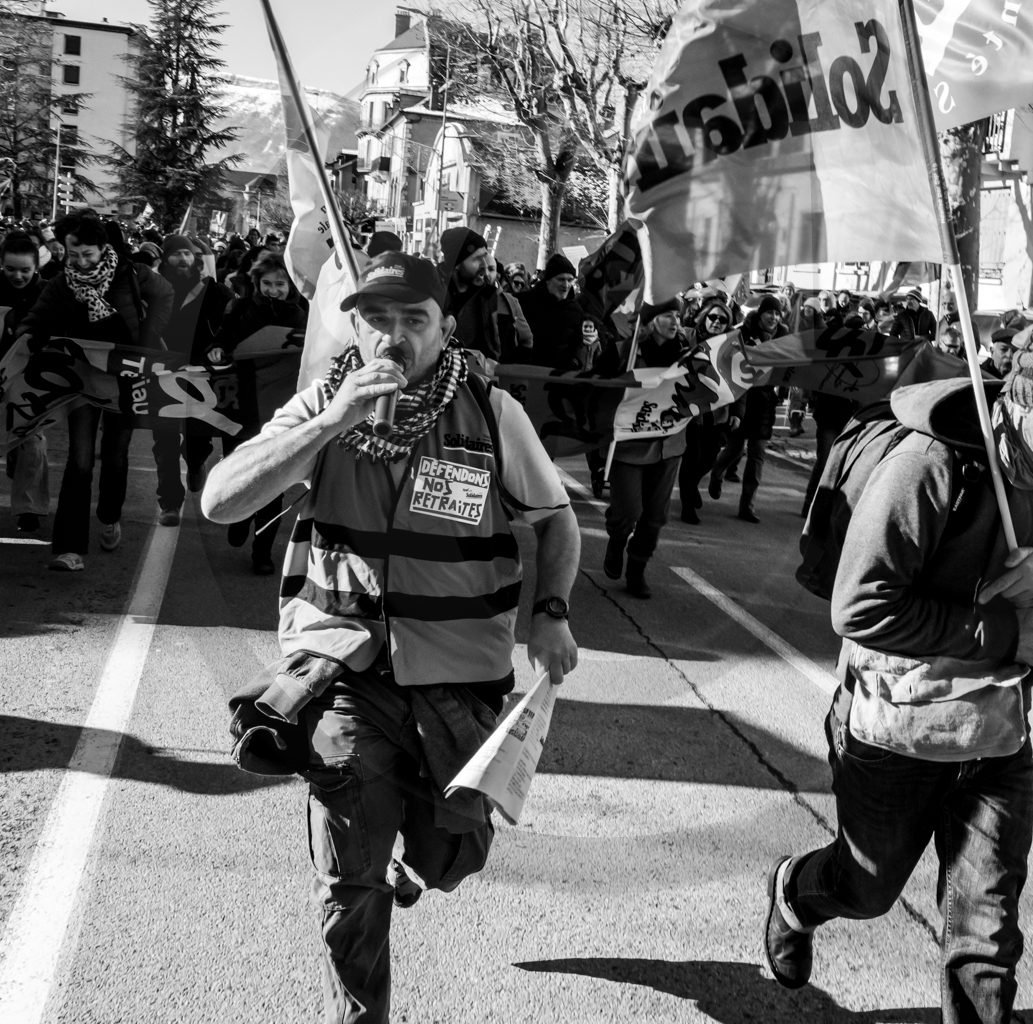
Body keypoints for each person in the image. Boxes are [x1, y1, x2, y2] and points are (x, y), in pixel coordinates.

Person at [201, 251, 579, 1024]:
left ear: (446, 328)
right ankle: (360, 1013)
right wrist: (335, 419)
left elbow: (556, 521)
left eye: (414, 320)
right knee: (348, 877)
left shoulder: (492, 411)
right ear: (355, 325)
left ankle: (414, 861)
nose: (395, 336)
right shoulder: (322, 405)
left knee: (453, 859)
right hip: (343, 670)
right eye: (378, 319)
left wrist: (551, 613)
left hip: (460, 679)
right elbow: (220, 502)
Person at [765, 299, 1033, 1023]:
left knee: (986, 941)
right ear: (1027, 402)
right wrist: (1001, 635)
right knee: (866, 891)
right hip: (892, 729)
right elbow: (860, 608)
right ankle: (794, 891)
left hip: (998, 739)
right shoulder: (929, 465)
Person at [20, 212, 173, 571]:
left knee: (116, 457)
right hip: (82, 383)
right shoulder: (61, 283)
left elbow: (165, 296)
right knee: (80, 459)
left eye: (88, 254)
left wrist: (148, 335)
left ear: (104, 248)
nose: (81, 262)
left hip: (125, 379)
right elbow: (36, 317)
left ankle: (108, 515)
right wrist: (31, 332)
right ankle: (69, 547)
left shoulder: (133, 274)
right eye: (74, 255)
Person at [213, 250, 309, 574]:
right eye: (267, 283)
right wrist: (214, 350)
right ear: (256, 282)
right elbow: (221, 343)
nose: (273, 289)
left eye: (280, 283)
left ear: (291, 284)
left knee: (272, 479)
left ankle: (262, 552)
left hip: (278, 412)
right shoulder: (238, 309)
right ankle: (238, 515)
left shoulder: (302, 316)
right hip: (240, 407)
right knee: (237, 470)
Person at [602, 304, 692, 597]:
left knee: (655, 517)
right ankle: (617, 540)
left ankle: (637, 569)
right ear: (650, 322)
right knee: (628, 511)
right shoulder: (624, 351)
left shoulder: (689, 354)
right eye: (667, 315)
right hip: (629, 443)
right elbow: (596, 381)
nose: (675, 322)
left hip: (669, 444)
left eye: (677, 316)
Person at [150, 234, 233, 524]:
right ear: (165, 258)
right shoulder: (154, 289)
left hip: (203, 382)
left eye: (189, 254)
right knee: (165, 442)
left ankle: (196, 461)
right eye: (177, 254)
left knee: (198, 441)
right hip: (163, 377)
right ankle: (169, 503)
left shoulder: (217, 293)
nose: (184, 259)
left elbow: (232, 329)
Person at [708, 295, 788, 523]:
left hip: (766, 401)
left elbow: (789, 366)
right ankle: (716, 472)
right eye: (769, 312)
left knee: (757, 455)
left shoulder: (783, 337)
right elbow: (728, 361)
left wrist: (782, 390)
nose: (773, 317)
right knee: (734, 449)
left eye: (777, 313)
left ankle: (747, 507)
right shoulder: (742, 333)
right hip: (742, 398)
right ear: (760, 314)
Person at [1, 231, 50, 532]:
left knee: (31, 437)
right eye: (10, 269)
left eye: (25, 270)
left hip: (34, 376)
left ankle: (29, 508)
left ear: (36, 268)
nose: (17, 276)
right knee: (13, 439)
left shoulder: (49, 292)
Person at [679, 299, 737, 524]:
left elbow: (740, 380)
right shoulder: (687, 336)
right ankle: (687, 507)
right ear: (704, 317)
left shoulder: (731, 345)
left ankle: (691, 485)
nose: (717, 322)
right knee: (692, 458)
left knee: (710, 458)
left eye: (723, 320)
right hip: (691, 409)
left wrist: (737, 412)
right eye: (713, 317)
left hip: (717, 410)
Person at [438, 226, 503, 360]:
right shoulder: (430, 293)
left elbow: (493, 342)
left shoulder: (488, 294)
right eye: (477, 259)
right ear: (456, 264)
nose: (484, 266)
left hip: (477, 376)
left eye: (484, 257)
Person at [518, 253, 585, 369]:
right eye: (561, 279)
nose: (566, 285)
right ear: (548, 280)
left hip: (558, 377)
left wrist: (575, 361)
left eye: (570, 280)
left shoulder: (575, 310)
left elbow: (578, 343)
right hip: (526, 374)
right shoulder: (523, 302)